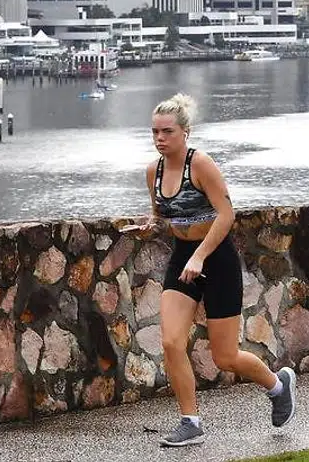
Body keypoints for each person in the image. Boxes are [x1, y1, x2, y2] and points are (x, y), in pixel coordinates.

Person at [122, 93, 297, 447]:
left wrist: (200, 256)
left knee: (225, 356)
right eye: (155, 132)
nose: (159, 138)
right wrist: (148, 226)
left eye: (167, 132)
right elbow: (163, 216)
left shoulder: (200, 164)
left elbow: (226, 214)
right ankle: (191, 422)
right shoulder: (152, 171)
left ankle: (278, 386)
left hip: (216, 259)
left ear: (185, 132)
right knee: (171, 341)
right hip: (183, 257)